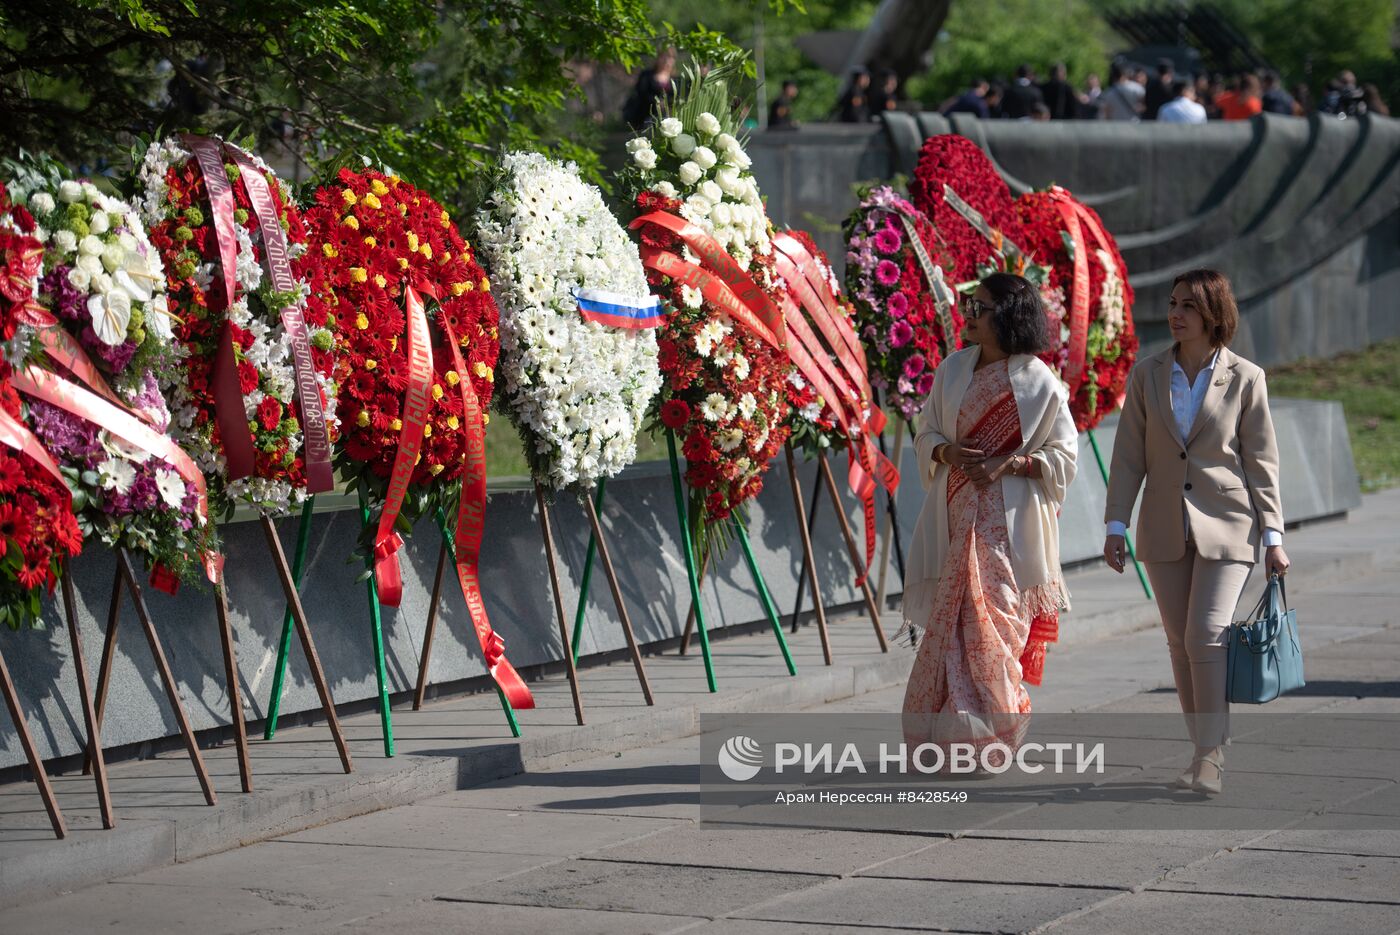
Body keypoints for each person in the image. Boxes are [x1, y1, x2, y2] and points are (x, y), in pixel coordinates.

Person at [1104, 269, 1290, 797]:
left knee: (1204, 634)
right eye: (1172, 302)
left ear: (1213, 313)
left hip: (1228, 523)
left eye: (1188, 304)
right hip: (1163, 525)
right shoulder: (1148, 374)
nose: (1175, 313)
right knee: (1179, 644)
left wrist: (1273, 536)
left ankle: (1211, 755)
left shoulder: (1246, 377)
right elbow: (1127, 457)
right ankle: (1201, 750)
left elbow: (1261, 462)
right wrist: (1116, 524)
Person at [901, 273, 1077, 762]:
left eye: (980, 307)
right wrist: (948, 452)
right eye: (970, 304)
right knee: (954, 620)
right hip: (957, 513)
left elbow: (1065, 456)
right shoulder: (953, 370)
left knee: (996, 618)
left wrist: (1014, 462)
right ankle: (950, 733)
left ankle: (996, 732)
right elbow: (925, 435)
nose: (970, 314)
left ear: (1009, 317)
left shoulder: (1039, 381)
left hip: (1010, 525)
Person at [622, 47, 676, 130]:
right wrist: (657, 102)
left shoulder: (676, 80)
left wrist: (667, 104)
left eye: (670, 57)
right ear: (658, 58)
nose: (666, 61)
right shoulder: (646, 75)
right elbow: (642, 93)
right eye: (663, 57)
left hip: (668, 118)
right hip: (646, 118)